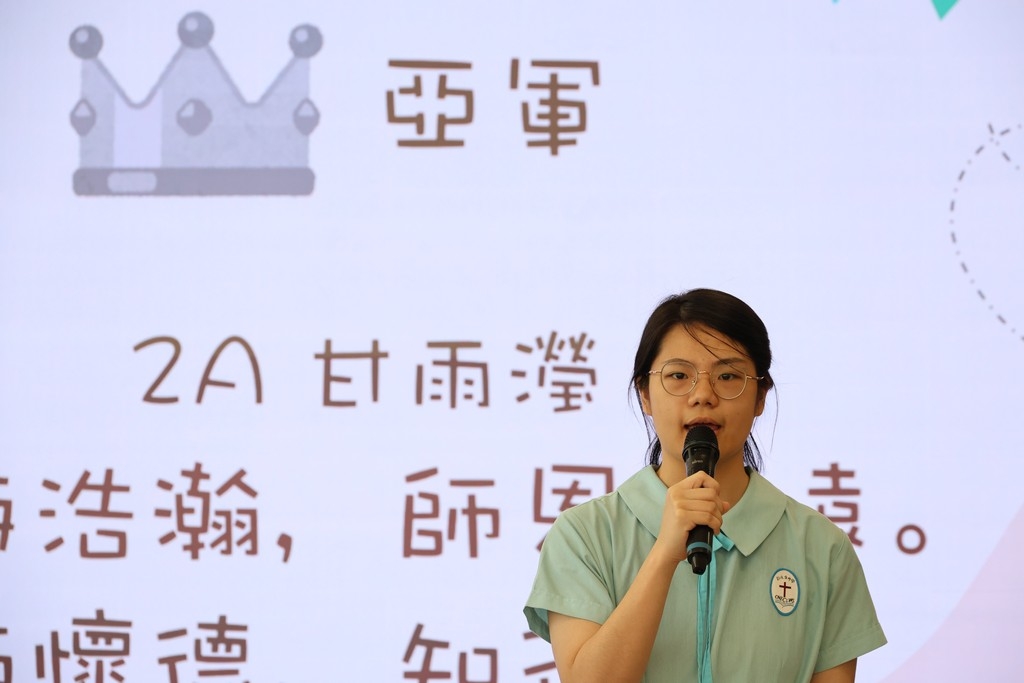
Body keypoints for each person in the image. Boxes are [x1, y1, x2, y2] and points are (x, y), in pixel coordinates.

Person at [524, 288, 886, 683]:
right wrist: (664, 555)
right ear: (645, 394)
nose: (702, 396)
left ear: (760, 396)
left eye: (728, 376)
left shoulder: (821, 548)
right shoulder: (585, 536)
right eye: (678, 376)